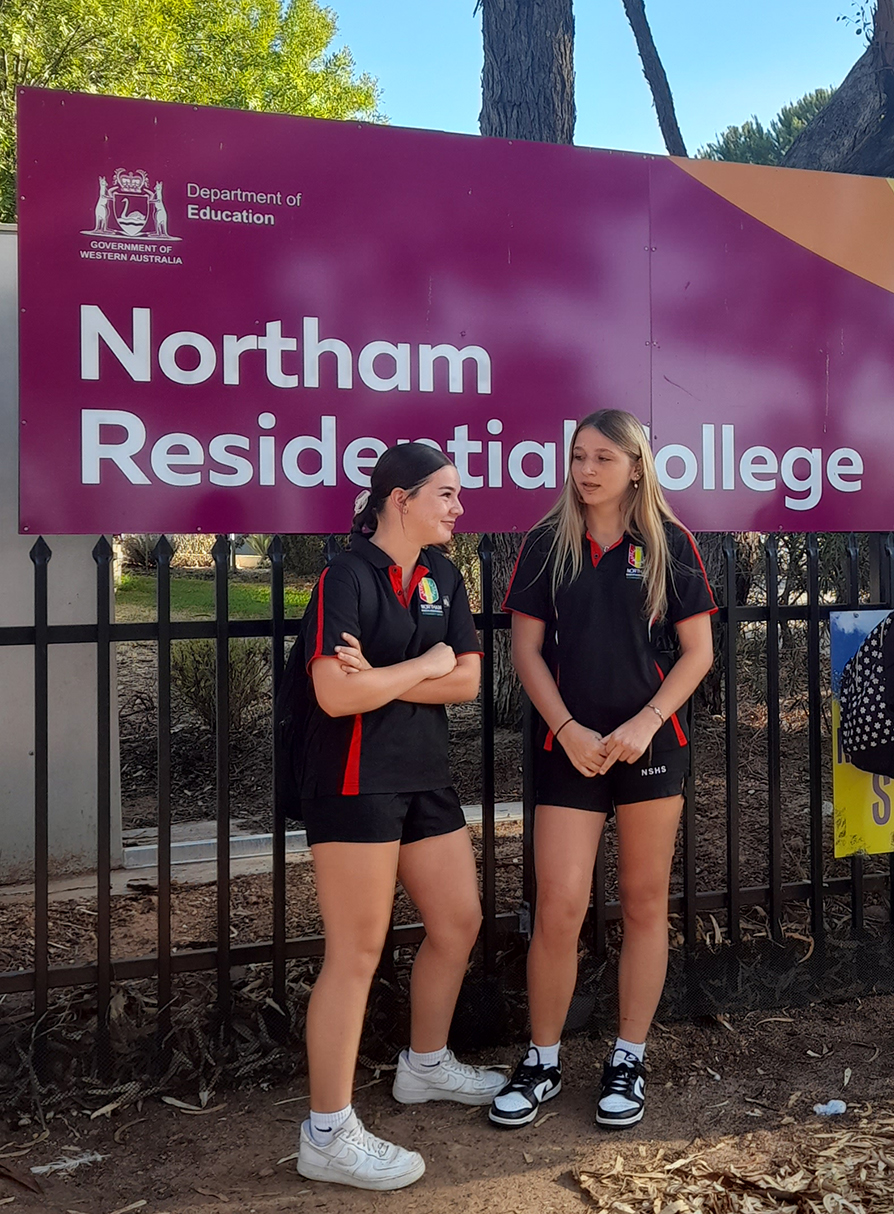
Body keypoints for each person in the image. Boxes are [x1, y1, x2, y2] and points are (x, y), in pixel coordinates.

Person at [495, 408, 715, 1131]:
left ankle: (628, 1056)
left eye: (602, 458)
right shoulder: (543, 545)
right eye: (578, 456)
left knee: (646, 904)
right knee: (559, 907)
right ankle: (543, 1060)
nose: (586, 471)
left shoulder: (669, 545)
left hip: (650, 746)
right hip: (570, 750)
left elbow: (697, 654)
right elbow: (525, 653)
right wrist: (568, 728)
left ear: (635, 466)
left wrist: (644, 723)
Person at [293, 443, 505, 1191]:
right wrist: (421, 666)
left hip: (422, 778)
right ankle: (326, 1133)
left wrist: (384, 677)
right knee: (354, 952)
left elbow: (470, 681)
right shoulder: (344, 575)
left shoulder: (444, 575)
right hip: (353, 784)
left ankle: (423, 1067)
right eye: (444, 494)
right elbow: (335, 696)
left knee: (459, 921)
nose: (458, 507)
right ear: (397, 498)